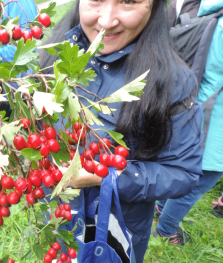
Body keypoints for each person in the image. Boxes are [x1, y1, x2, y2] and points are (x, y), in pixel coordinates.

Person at [39, 0, 203, 262]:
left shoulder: (172, 82)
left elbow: (184, 172)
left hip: (117, 230)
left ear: (154, 6)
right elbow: (29, 118)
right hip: (57, 217)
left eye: (128, 1)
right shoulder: (51, 54)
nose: (106, 20)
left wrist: (106, 177)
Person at [153, 0, 223, 243]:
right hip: (212, 119)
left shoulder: (213, 12)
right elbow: (213, 73)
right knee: (201, 179)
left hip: (198, 107)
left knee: (186, 171)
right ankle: (166, 229)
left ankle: (162, 208)